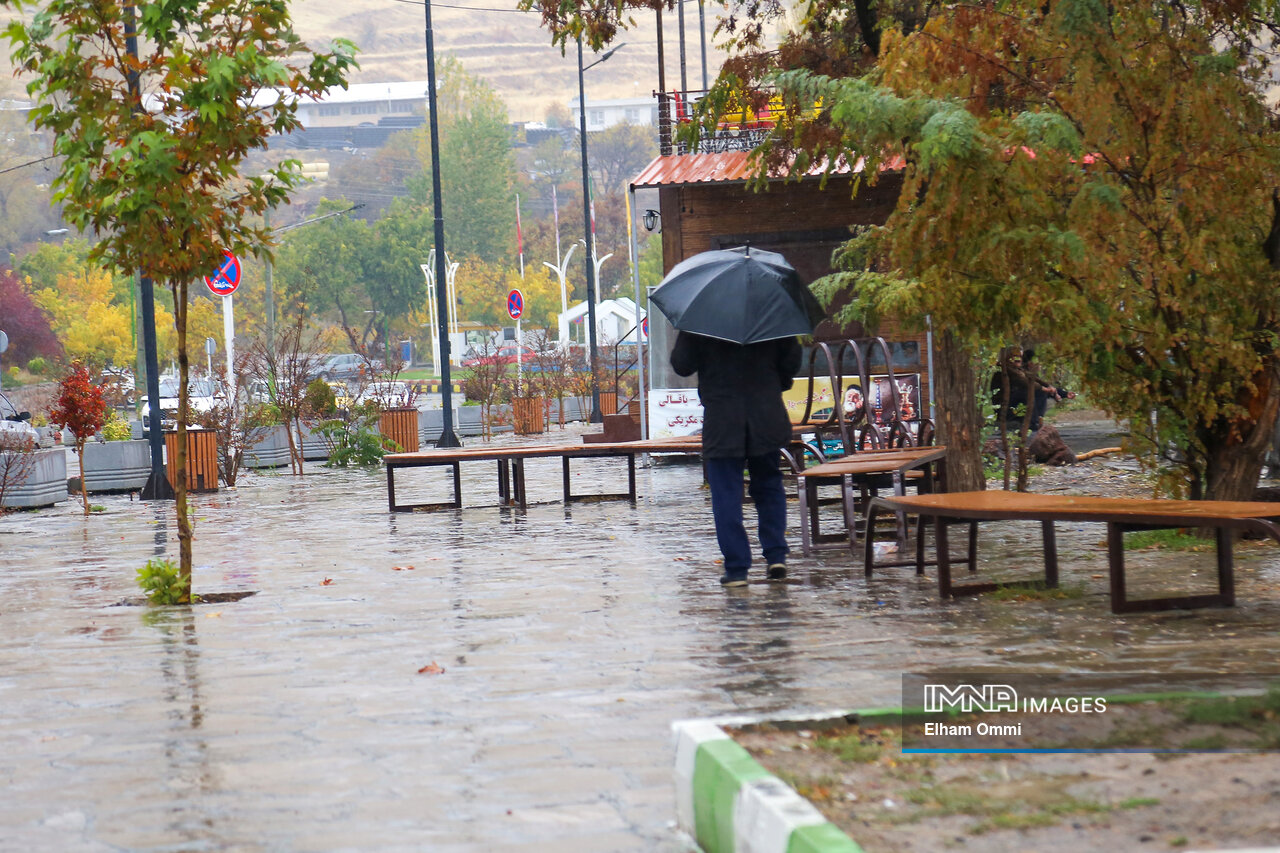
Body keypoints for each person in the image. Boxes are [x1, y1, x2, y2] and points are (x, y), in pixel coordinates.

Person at [671, 331, 803, 587]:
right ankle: (776, 556)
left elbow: (682, 364)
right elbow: (792, 363)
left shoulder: (702, 320)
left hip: (723, 420)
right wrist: (773, 382)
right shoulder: (771, 315)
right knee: (769, 487)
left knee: (726, 494)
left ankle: (737, 569)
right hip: (766, 415)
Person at [990, 347, 1073, 431]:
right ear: (1008, 357)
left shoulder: (1017, 369)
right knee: (1030, 392)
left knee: (1039, 392)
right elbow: (1026, 382)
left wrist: (1058, 391)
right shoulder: (1005, 369)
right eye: (1015, 356)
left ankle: (1037, 420)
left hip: (1014, 405)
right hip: (1005, 408)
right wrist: (1045, 389)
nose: (1018, 359)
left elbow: (1035, 379)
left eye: (1020, 356)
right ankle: (1033, 423)